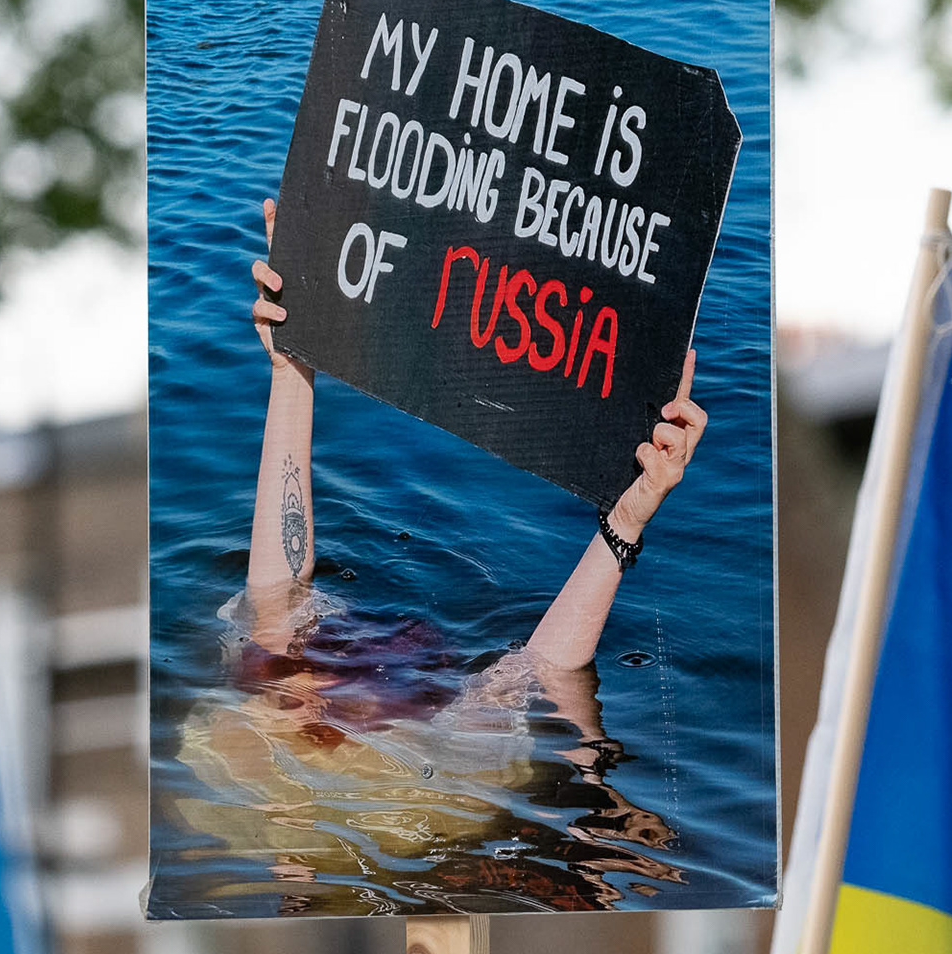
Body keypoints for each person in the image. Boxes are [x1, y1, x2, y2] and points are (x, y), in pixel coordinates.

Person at [244, 196, 708, 668]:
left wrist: (291, 375)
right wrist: (292, 366)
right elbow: (535, 679)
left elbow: (275, 612)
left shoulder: (290, 692)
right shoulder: (402, 721)